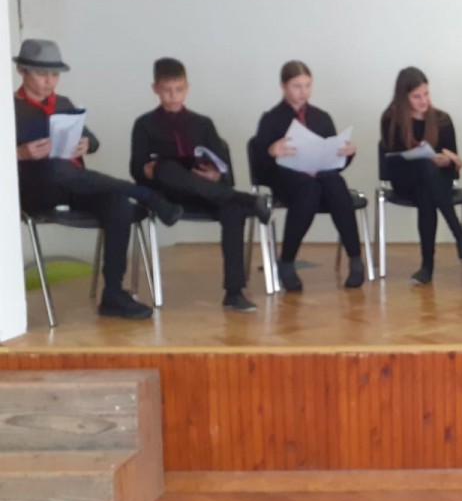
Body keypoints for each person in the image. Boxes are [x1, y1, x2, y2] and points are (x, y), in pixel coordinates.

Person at [12, 38, 183, 320]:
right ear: (22, 71)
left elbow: (93, 140)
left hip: (75, 183)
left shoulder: (64, 103)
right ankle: (145, 194)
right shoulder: (9, 108)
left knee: (118, 204)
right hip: (37, 188)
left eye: (55, 74)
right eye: (42, 74)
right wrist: (19, 153)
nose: (50, 81)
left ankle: (113, 294)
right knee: (56, 168)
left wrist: (86, 144)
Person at [130, 57, 270, 312]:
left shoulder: (203, 123)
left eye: (179, 89)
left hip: (208, 193)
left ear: (187, 88)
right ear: (155, 89)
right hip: (168, 197)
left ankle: (234, 292)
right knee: (166, 167)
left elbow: (225, 173)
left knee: (233, 209)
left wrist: (215, 176)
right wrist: (148, 170)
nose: (173, 96)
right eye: (167, 90)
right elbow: (137, 170)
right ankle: (249, 200)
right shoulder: (144, 124)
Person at [251, 60, 364, 292]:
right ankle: (287, 261)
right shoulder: (271, 119)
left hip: (321, 179)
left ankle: (355, 258)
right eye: (297, 86)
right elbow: (260, 167)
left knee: (335, 182)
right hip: (288, 181)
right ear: (284, 87)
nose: (303, 92)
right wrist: (271, 151)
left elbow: (334, 163)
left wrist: (346, 153)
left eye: (307, 85)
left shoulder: (321, 117)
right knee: (309, 188)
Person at [380, 66, 462, 285]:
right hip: (404, 179)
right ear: (403, 97)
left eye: (426, 94)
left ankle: (427, 267)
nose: (423, 101)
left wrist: (448, 160)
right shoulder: (391, 119)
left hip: (436, 181)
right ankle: (458, 233)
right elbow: (392, 159)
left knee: (426, 189)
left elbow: (454, 165)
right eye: (416, 96)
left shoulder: (442, 120)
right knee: (423, 167)